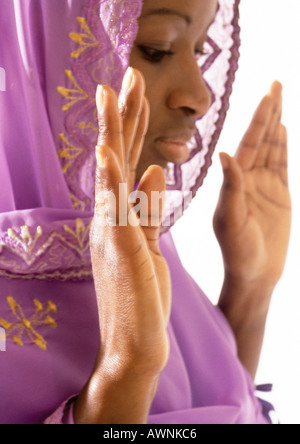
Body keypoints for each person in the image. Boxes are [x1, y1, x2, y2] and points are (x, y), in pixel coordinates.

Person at [0, 0, 291, 424]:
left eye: (201, 48)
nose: (200, 97)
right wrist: (127, 368)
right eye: (158, 48)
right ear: (44, 51)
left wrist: (250, 292)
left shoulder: (139, 241)